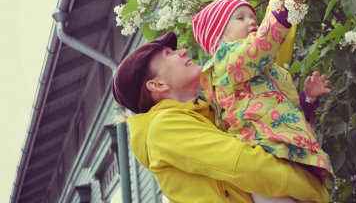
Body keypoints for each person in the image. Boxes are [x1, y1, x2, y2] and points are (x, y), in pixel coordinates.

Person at [112, 31, 330, 203]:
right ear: (157, 85)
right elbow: (246, 164)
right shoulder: (163, 127)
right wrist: (314, 190)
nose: (184, 51)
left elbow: (268, 69)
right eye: (169, 55)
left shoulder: (206, 112)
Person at [190, 0, 334, 190]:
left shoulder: (269, 69)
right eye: (240, 18)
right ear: (218, 37)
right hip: (264, 149)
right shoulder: (226, 59)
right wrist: (285, 6)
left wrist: (308, 98)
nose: (251, 21)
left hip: (289, 151)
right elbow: (263, 43)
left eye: (253, 17)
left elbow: (290, 114)